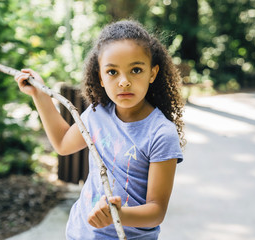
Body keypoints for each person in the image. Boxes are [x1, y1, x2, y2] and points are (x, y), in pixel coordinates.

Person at [15, 20, 185, 240]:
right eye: (112, 72)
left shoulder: (161, 133)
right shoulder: (98, 114)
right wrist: (39, 94)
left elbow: (156, 211)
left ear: (152, 73)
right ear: (100, 78)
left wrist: (119, 215)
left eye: (136, 70)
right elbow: (63, 143)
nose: (124, 82)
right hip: (80, 233)